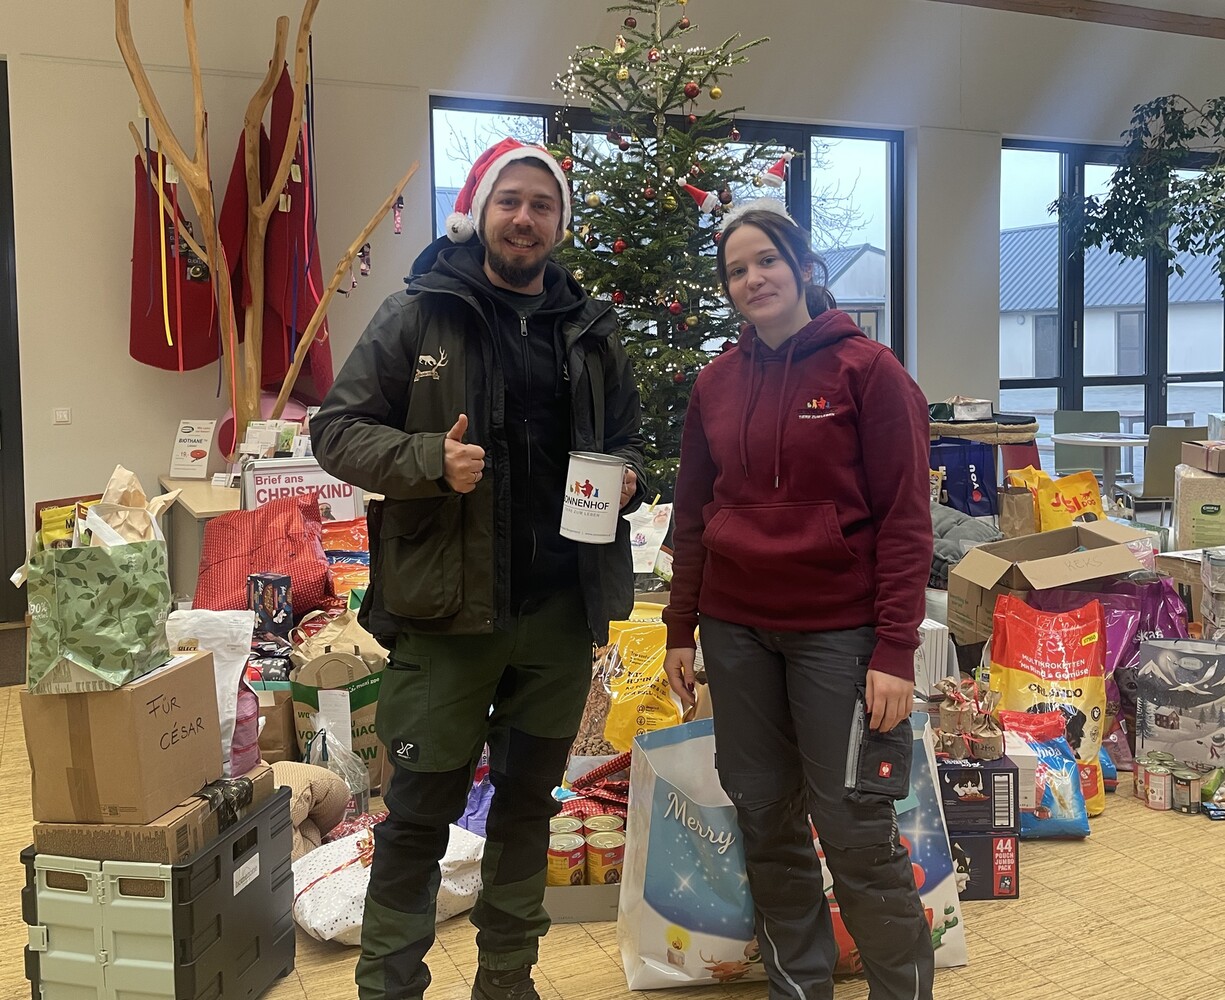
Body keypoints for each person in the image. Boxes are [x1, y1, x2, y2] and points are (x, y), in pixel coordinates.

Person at [311, 137, 646, 1000]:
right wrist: (427, 457)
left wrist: (632, 477)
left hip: (560, 614)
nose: (525, 218)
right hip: (444, 611)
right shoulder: (417, 314)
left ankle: (507, 980)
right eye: (510, 202)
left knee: (529, 805)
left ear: (558, 221)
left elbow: (623, 443)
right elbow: (336, 430)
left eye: (542, 204)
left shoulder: (593, 333)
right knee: (419, 813)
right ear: (480, 213)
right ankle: (390, 987)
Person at [661, 199, 934, 1000]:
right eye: (736, 270)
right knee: (764, 820)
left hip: (837, 637)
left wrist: (894, 650)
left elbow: (905, 523)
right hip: (736, 632)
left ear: (804, 267)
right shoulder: (714, 384)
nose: (752, 279)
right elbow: (691, 518)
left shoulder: (869, 372)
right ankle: (799, 987)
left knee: (854, 829)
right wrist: (682, 627)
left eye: (766, 261)